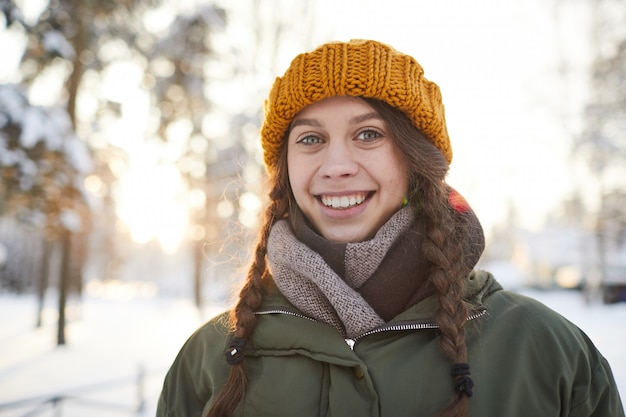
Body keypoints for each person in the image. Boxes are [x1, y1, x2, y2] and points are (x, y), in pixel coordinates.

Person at [156, 39, 624, 417]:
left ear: (415, 161)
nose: (337, 165)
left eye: (368, 134)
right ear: (286, 171)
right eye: (311, 139)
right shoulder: (210, 358)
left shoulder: (541, 348)